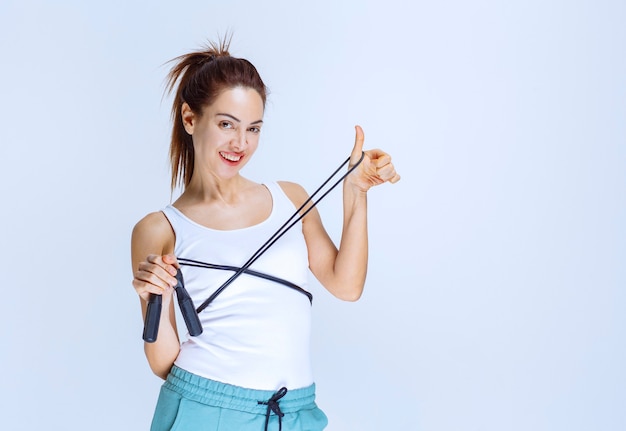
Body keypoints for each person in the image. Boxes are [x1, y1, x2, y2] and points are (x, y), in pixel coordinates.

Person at [131, 38, 400, 431]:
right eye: (226, 124)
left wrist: (356, 191)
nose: (240, 143)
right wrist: (155, 293)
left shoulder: (290, 198)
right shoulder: (159, 228)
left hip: (294, 411)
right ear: (190, 119)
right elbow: (163, 363)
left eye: (253, 128)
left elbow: (346, 285)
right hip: (206, 408)